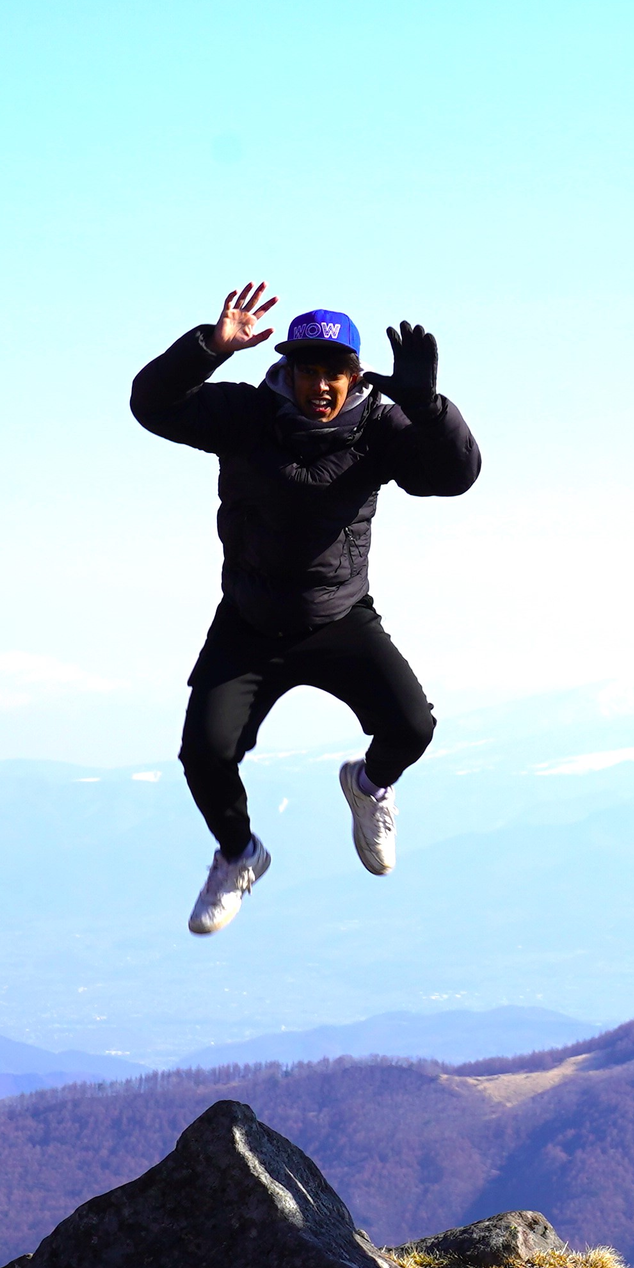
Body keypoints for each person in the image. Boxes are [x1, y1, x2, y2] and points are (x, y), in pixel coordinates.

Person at [130, 283, 481, 934]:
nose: (319, 385)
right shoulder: (245, 416)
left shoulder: (381, 429)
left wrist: (430, 409)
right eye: (307, 370)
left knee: (412, 729)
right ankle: (239, 855)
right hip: (250, 621)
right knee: (203, 755)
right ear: (287, 371)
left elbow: (454, 475)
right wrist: (208, 347)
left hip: (339, 617)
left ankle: (369, 786)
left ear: (355, 376)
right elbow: (151, 405)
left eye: (334, 372)